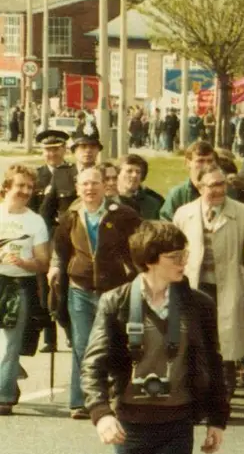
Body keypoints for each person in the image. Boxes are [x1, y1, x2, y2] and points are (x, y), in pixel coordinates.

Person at [80, 221, 229, 454]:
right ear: (149, 260)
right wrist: (100, 413)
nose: (183, 262)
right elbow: (93, 363)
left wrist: (217, 418)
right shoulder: (116, 302)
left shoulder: (198, 304)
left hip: (177, 424)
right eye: (174, 256)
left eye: (184, 254)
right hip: (130, 426)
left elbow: (212, 362)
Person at [51, 167, 143, 419]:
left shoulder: (124, 215)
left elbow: (140, 245)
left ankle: (118, 395)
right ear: (78, 188)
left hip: (114, 290)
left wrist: (137, 274)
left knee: (114, 342)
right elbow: (60, 248)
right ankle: (81, 401)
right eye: (85, 184)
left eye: (95, 183)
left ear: (105, 186)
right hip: (79, 288)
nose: (89, 188)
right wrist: (55, 269)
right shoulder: (69, 216)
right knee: (82, 344)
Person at [171, 164, 244, 399]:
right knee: (194, 339)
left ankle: (225, 393)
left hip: (230, 286)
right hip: (194, 285)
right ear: (200, 187)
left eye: (222, 184)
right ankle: (196, 394)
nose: (219, 190)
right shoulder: (184, 214)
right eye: (213, 185)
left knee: (227, 341)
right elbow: (173, 254)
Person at [0, 165, 50, 415]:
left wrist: (25, 263)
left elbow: (43, 262)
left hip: (18, 285)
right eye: (20, 186)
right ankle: (8, 375)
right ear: (6, 187)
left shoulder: (35, 221)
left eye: (30, 187)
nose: (26, 191)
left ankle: (4, 396)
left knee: (10, 343)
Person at [30, 129, 76, 354]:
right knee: (43, 287)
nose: (52, 155)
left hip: (65, 238)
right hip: (41, 239)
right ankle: (50, 338)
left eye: (56, 150)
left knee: (64, 284)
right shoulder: (35, 177)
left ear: (64, 150)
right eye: (47, 150)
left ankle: (69, 331)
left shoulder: (71, 173)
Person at [159, 142, 219, 221]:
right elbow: (166, 224)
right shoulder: (178, 195)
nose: (206, 165)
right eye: (200, 161)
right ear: (188, 163)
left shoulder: (223, 191)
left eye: (210, 161)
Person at [115, 155, 165, 221]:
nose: (134, 175)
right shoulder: (106, 200)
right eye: (129, 171)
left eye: (138, 172)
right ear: (117, 174)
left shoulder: (153, 204)